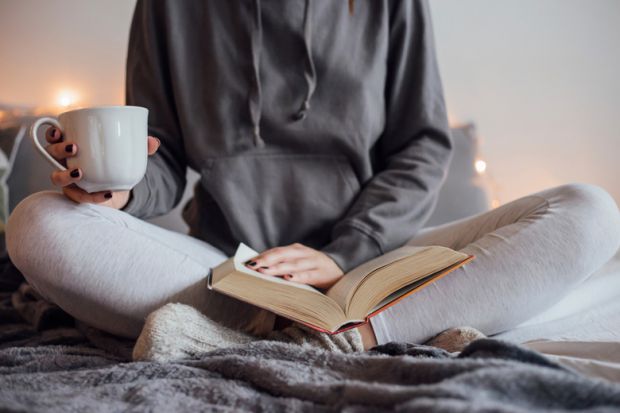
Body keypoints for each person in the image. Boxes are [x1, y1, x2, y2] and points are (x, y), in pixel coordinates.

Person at [6, 0, 620, 357]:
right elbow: (161, 156)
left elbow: (423, 145)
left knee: (588, 210)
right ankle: (317, 327)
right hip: (227, 270)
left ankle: (343, 331)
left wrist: (345, 253)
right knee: (36, 221)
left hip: (378, 260)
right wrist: (125, 190)